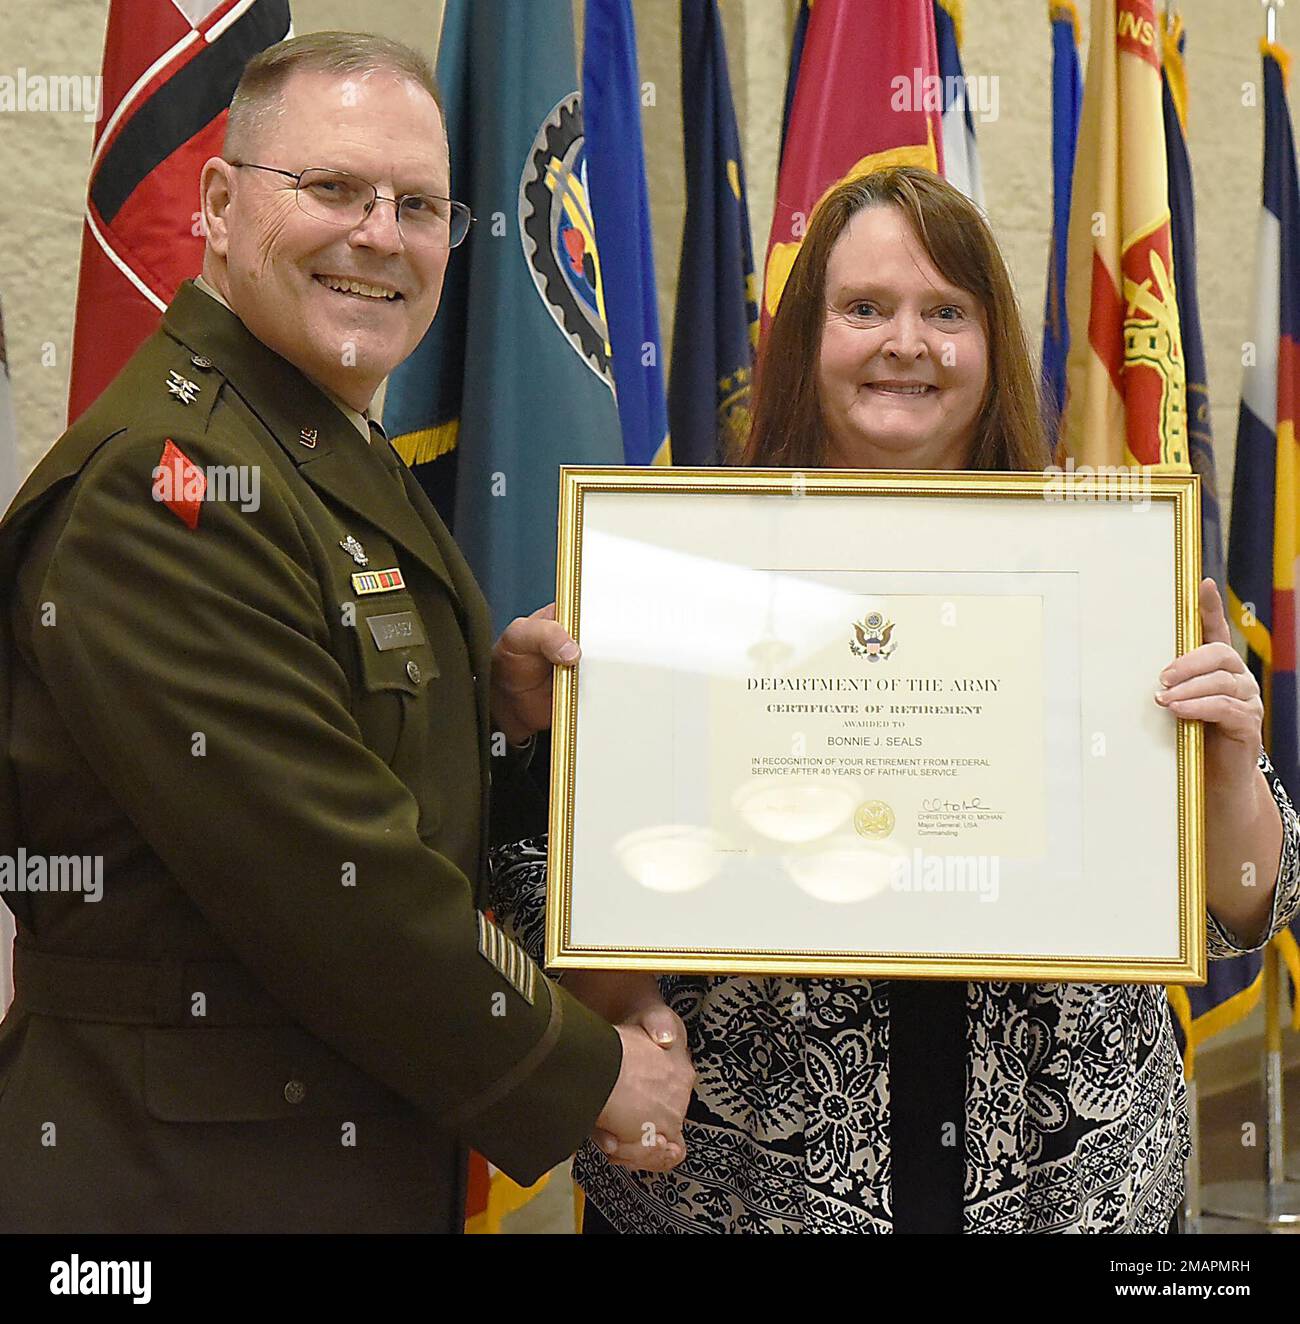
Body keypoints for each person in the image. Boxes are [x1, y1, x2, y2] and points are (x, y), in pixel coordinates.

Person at [491, 166, 1300, 1233]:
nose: (904, 342)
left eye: (944, 311)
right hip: (738, 1194)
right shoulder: (674, 576)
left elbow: (1249, 902)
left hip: (1072, 1192)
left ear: (988, 342)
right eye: (863, 307)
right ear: (805, 342)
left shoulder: (1102, 573)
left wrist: (1229, 761)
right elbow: (555, 897)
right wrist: (529, 727)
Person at [0, 31, 691, 1234]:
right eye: (332, 187)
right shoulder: (171, 487)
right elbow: (325, 873)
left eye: (418, 204)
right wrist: (586, 1072)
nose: (380, 234)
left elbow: (337, 741)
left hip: (311, 1153)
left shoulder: (308, 439)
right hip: (174, 1185)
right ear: (218, 203)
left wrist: (493, 713)